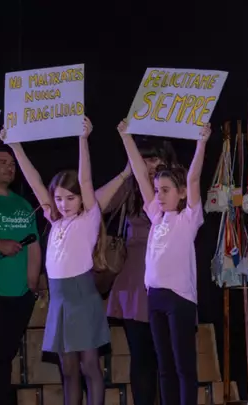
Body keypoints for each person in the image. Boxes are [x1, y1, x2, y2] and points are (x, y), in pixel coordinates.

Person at [2, 116, 110, 405]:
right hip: (60, 300)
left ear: (82, 199)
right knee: (68, 369)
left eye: (70, 198)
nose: (63, 204)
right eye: (59, 198)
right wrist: (15, 146)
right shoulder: (55, 220)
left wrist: (83, 139)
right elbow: (35, 180)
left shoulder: (88, 219)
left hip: (81, 297)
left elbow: (85, 180)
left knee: (89, 366)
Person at [119, 119, 210, 405]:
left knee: (183, 366)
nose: (158, 195)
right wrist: (126, 137)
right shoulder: (156, 216)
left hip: (179, 299)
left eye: (166, 190)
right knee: (164, 366)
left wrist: (201, 143)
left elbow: (193, 178)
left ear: (181, 194)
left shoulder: (188, 219)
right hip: (155, 297)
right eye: (157, 190)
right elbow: (140, 175)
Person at [95, 137, 179, 405]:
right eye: (143, 159)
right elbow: (94, 206)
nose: (148, 165)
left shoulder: (177, 186)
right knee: (142, 357)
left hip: (169, 279)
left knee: (167, 358)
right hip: (134, 280)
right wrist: (125, 173)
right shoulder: (130, 186)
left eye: (154, 159)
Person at [0, 145, 41, 405]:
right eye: (2, 162)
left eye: (12, 163)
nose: (9, 167)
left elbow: (34, 245)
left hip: (20, 294)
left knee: (5, 358)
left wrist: (32, 286)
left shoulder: (23, 204)